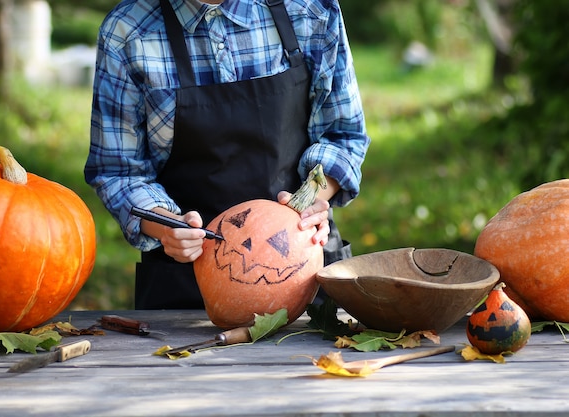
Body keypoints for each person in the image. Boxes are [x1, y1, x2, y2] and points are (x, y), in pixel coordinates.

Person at [84, 0, 371, 309]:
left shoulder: (310, 10)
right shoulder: (127, 32)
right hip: (186, 287)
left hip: (304, 272)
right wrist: (168, 226)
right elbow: (119, 172)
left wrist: (312, 198)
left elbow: (343, 134)